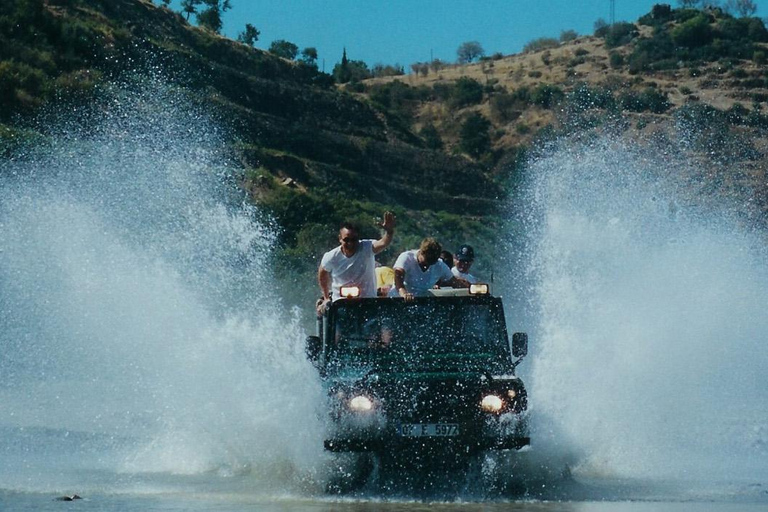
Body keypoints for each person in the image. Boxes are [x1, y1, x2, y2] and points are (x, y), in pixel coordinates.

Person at [317, 212, 396, 314]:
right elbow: (322, 271)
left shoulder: (366, 248)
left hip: (367, 302)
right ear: (340, 239)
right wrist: (326, 297)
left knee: (372, 328)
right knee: (340, 327)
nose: (350, 243)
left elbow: (383, 243)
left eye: (354, 240)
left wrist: (389, 232)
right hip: (341, 304)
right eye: (346, 240)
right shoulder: (332, 256)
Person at [391, 238, 469, 300]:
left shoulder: (439, 264)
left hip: (419, 303)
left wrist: (473, 288)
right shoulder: (406, 257)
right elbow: (398, 275)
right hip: (397, 299)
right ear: (421, 252)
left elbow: (455, 282)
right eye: (427, 260)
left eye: (432, 261)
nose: (428, 265)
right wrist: (404, 293)